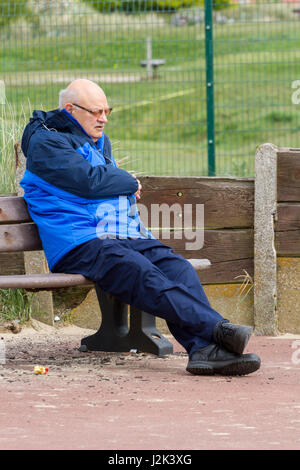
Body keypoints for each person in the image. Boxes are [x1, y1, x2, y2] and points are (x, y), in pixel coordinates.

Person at [20, 79, 261, 376]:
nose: (104, 118)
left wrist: (119, 184)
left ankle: (203, 350)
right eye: (96, 112)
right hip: (78, 242)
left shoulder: (97, 141)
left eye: (107, 111)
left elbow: (102, 181)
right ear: (70, 109)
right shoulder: (47, 142)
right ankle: (216, 329)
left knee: (176, 267)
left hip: (119, 234)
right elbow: (90, 182)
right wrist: (128, 182)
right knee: (140, 271)